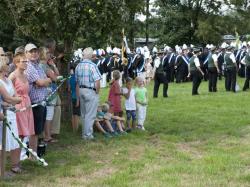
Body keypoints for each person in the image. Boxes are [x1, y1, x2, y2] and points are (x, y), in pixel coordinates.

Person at [24, 43, 52, 151]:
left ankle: (34, 153)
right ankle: (33, 154)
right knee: (34, 130)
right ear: (26, 53)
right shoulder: (29, 67)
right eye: (31, 52)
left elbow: (45, 81)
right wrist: (44, 81)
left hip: (41, 102)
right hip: (34, 103)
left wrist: (45, 81)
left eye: (35, 51)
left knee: (38, 130)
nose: (34, 53)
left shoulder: (37, 66)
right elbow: (41, 82)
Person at [8, 53, 37, 155]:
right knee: (19, 132)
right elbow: (6, 90)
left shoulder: (26, 75)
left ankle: (21, 155)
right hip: (18, 105)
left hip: (27, 104)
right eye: (23, 61)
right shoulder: (13, 75)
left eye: (26, 61)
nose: (26, 63)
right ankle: (16, 158)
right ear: (16, 63)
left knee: (25, 133)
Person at [0, 48, 22, 174]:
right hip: (4, 113)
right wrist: (15, 100)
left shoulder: (7, 80)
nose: (9, 66)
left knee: (14, 140)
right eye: (7, 64)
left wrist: (13, 100)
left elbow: (13, 95)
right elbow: (9, 98)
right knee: (2, 143)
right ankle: (1, 171)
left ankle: (14, 165)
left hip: (11, 112)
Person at [75, 47, 102, 140]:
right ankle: (88, 135)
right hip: (90, 90)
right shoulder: (92, 65)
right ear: (91, 55)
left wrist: (78, 96)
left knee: (84, 114)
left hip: (81, 90)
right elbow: (97, 81)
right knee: (90, 114)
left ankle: (84, 134)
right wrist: (97, 92)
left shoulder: (78, 66)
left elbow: (77, 82)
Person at [39, 47, 59, 143]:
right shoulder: (44, 66)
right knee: (49, 115)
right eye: (47, 53)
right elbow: (55, 78)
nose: (49, 55)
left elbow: (56, 75)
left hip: (46, 93)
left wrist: (53, 65)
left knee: (47, 115)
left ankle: (46, 135)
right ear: (43, 54)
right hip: (49, 93)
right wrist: (53, 66)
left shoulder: (44, 65)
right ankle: (47, 136)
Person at [68, 66, 80, 132]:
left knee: (73, 114)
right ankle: (77, 129)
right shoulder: (77, 78)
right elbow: (77, 89)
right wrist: (78, 100)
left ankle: (73, 130)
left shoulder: (70, 78)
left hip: (72, 97)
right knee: (77, 114)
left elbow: (69, 89)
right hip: (77, 97)